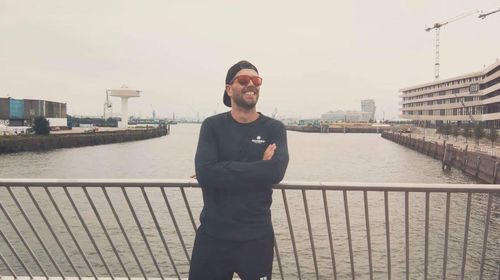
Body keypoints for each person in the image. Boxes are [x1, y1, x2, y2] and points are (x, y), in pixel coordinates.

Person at [189, 60, 289, 280]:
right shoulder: (212, 126)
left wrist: (222, 169)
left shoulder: (274, 128)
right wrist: (259, 167)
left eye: (256, 80)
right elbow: (205, 173)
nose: (251, 84)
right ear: (228, 88)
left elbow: (275, 172)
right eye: (243, 80)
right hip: (213, 235)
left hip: (256, 237)